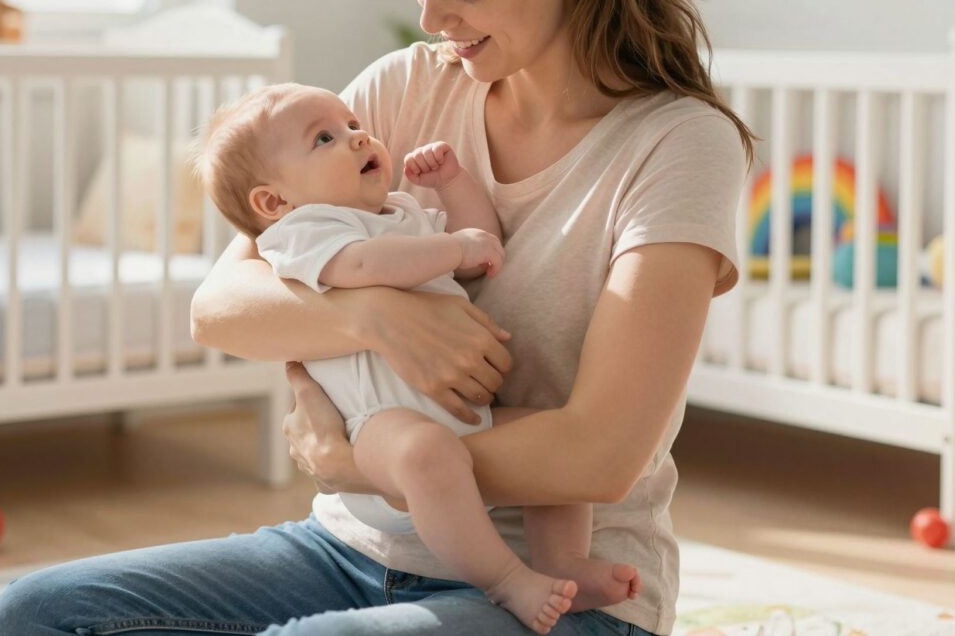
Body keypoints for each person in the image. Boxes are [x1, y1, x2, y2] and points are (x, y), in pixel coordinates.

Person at [0, 0, 754, 636]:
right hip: (353, 549)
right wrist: (379, 318)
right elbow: (222, 306)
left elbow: (600, 455)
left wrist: (356, 462)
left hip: (560, 590)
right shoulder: (404, 87)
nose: (431, 18)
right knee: (40, 613)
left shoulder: (678, 145)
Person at [196, 81, 641, 633]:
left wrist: (453, 187)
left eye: (354, 124)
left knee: (550, 441)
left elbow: (481, 248)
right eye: (326, 138)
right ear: (274, 201)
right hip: (378, 432)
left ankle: (562, 562)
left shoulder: (400, 211)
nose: (358, 138)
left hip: (464, 423)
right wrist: (454, 248)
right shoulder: (300, 233)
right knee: (426, 450)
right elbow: (363, 268)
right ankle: (506, 580)